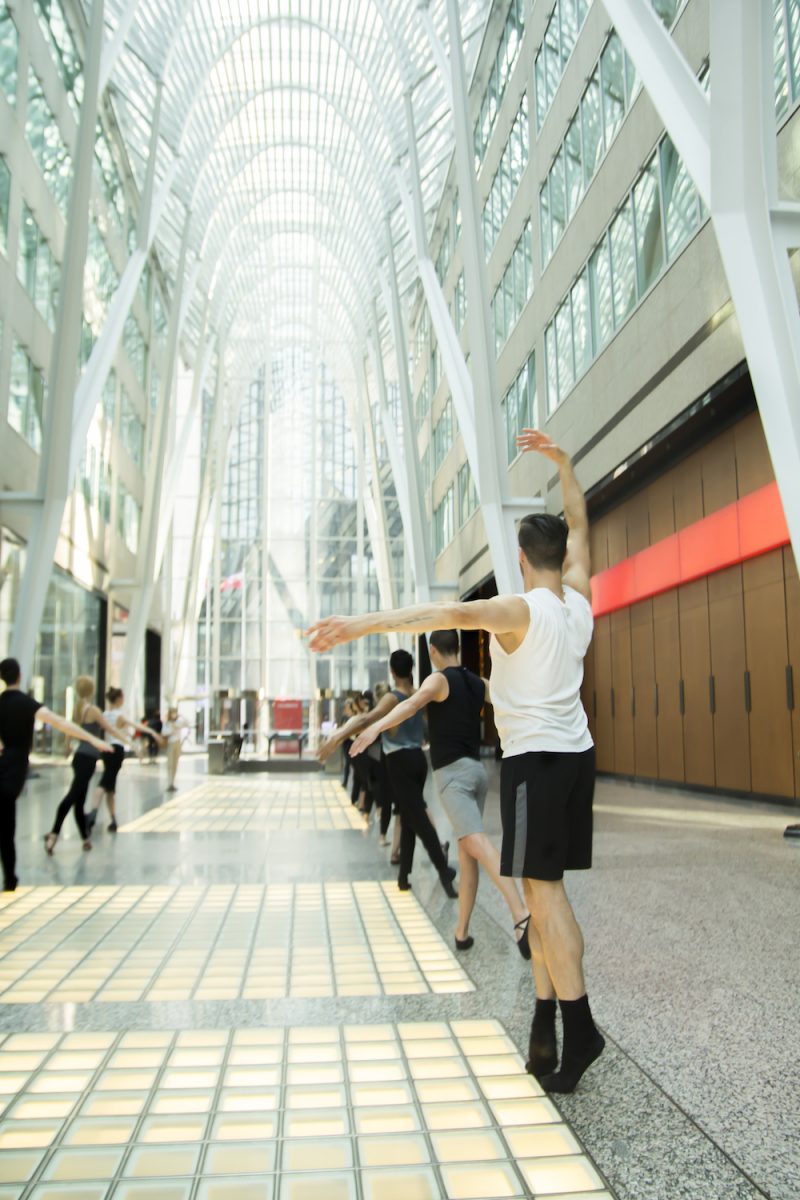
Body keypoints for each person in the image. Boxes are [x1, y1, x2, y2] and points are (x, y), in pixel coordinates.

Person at [308, 430, 602, 1095]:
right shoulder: (578, 601)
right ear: (559, 556)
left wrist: (359, 624)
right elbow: (582, 524)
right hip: (576, 759)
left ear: (522, 560)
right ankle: (546, 1021)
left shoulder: (519, 609)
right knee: (540, 892)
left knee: (546, 896)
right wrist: (564, 463)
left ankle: (579, 1025)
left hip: (536, 763)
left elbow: (442, 610)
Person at [350, 629, 531, 957]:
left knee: (475, 842)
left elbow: (412, 704)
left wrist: (375, 727)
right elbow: (510, 700)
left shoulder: (438, 680)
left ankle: (520, 915)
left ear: (433, 650)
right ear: (456, 647)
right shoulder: (478, 682)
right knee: (467, 852)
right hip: (477, 773)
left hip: (453, 777)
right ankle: (462, 932)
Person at [320, 651, 457, 898]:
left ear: (393, 672)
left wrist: (338, 736)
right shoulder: (418, 694)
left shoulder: (393, 698)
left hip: (399, 762)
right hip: (418, 760)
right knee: (408, 815)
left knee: (418, 818)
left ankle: (442, 868)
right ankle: (403, 876)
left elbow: (367, 719)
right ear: (410, 668)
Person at [0, 659, 111, 889]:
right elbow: (59, 722)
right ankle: (10, 878)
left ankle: (10, 877)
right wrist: (92, 739)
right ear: (19, 676)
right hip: (14, 768)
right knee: (6, 824)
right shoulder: (26, 703)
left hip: (5, 761)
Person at [45, 675, 121, 855]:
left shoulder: (78, 709)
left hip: (80, 757)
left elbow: (70, 730)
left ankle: (85, 839)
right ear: (91, 690)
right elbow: (109, 729)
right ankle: (54, 834)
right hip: (87, 760)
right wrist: (128, 741)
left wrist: (67, 746)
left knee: (79, 801)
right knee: (72, 797)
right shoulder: (93, 710)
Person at [86, 688, 161, 833]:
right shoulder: (119, 715)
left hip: (106, 750)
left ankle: (113, 820)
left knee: (110, 786)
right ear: (119, 699)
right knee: (105, 782)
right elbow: (136, 725)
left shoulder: (104, 714)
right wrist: (152, 732)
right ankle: (93, 813)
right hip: (117, 750)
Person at [163, 706, 189, 791]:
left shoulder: (179, 722)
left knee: (175, 764)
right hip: (171, 743)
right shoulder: (167, 723)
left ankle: (173, 783)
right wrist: (172, 730)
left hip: (178, 743)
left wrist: (181, 716)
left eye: (175, 712)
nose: (174, 714)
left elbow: (187, 723)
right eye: (172, 712)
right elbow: (164, 732)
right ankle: (169, 783)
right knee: (170, 764)